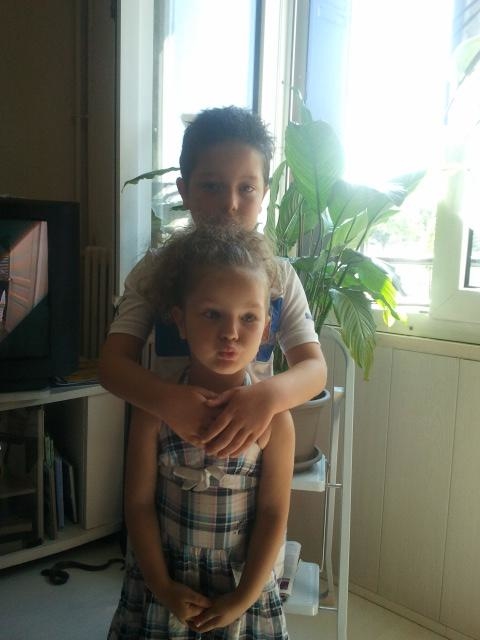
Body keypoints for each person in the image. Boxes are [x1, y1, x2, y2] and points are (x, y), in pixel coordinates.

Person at [99, 106, 327, 457]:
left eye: (246, 188)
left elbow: (314, 369)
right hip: (168, 446)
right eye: (211, 186)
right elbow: (112, 365)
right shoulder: (155, 269)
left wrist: (267, 397)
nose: (230, 204)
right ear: (185, 190)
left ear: (264, 194)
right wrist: (166, 400)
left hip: (250, 455)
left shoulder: (280, 277)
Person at [108, 224, 294, 639]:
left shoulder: (276, 423)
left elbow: (273, 514)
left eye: (248, 318)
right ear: (181, 321)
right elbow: (137, 503)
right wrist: (162, 586)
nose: (231, 333)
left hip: (241, 588)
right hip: (164, 582)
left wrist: (243, 598)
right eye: (212, 314)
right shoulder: (153, 411)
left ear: (267, 328)